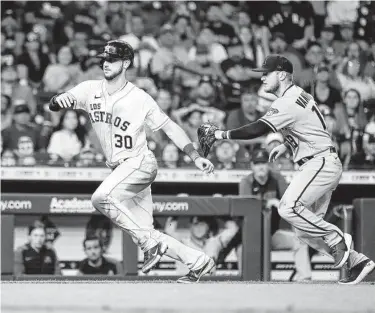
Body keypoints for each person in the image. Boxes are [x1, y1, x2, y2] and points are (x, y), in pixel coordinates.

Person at [49, 40, 215, 284]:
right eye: (104, 59)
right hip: (122, 171)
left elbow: (169, 127)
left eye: (112, 60)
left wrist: (195, 155)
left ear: (125, 63)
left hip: (139, 163)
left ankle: (149, 245)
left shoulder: (139, 98)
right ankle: (199, 262)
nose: (106, 63)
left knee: (100, 198)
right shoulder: (89, 89)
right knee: (146, 231)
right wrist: (58, 99)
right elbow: (57, 103)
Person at [204, 54, 375, 284]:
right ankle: (357, 262)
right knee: (303, 231)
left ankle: (336, 238)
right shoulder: (298, 95)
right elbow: (312, 125)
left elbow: (257, 129)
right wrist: (287, 144)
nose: (263, 78)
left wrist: (219, 134)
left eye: (267, 73)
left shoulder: (287, 100)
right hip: (319, 160)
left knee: (288, 208)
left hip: (319, 163)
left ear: (282, 74)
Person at [240, 148, 311, 282]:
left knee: (299, 241)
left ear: (269, 165)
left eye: (263, 163)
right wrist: (266, 202)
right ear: (252, 166)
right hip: (250, 236)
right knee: (238, 246)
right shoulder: (246, 182)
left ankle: (305, 278)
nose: (260, 166)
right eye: (257, 163)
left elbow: (289, 205)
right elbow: (245, 210)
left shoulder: (277, 178)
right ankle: (241, 282)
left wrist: (277, 203)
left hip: (271, 235)